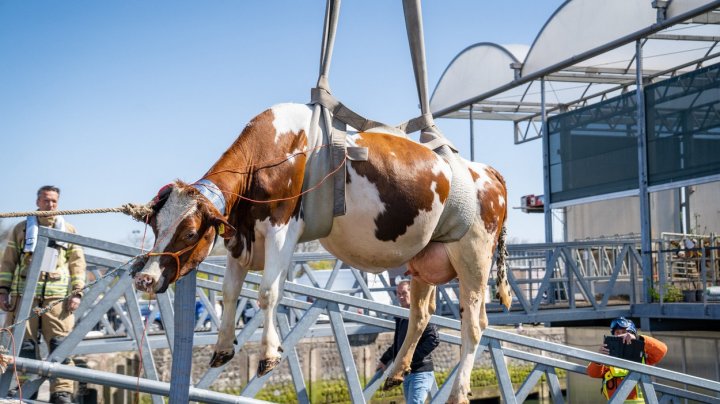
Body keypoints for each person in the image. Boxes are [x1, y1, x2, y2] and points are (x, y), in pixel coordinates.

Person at [0, 185, 86, 404]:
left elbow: (77, 264)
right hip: (23, 298)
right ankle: (24, 388)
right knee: (23, 347)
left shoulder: (68, 229)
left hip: (57, 301)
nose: (50, 205)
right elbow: (8, 262)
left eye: (54, 201)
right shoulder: (21, 229)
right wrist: (3, 291)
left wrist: (77, 293)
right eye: (46, 200)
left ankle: (62, 391)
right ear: (37, 202)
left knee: (61, 346)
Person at [377, 279, 439, 404]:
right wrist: (385, 359)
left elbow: (433, 339)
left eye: (404, 293)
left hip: (420, 372)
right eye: (398, 293)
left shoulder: (420, 312)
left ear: (413, 292)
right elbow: (400, 344)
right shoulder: (402, 316)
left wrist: (409, 358)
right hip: (408, 373)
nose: (401, 297)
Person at [587, 317, 668, 403]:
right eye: (617, 333)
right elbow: (592, 373)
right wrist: (599, 358)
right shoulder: (608, 357)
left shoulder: (641, 356)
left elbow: (662, 350)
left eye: (624, 332)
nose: (620, 336)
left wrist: (638, 339)